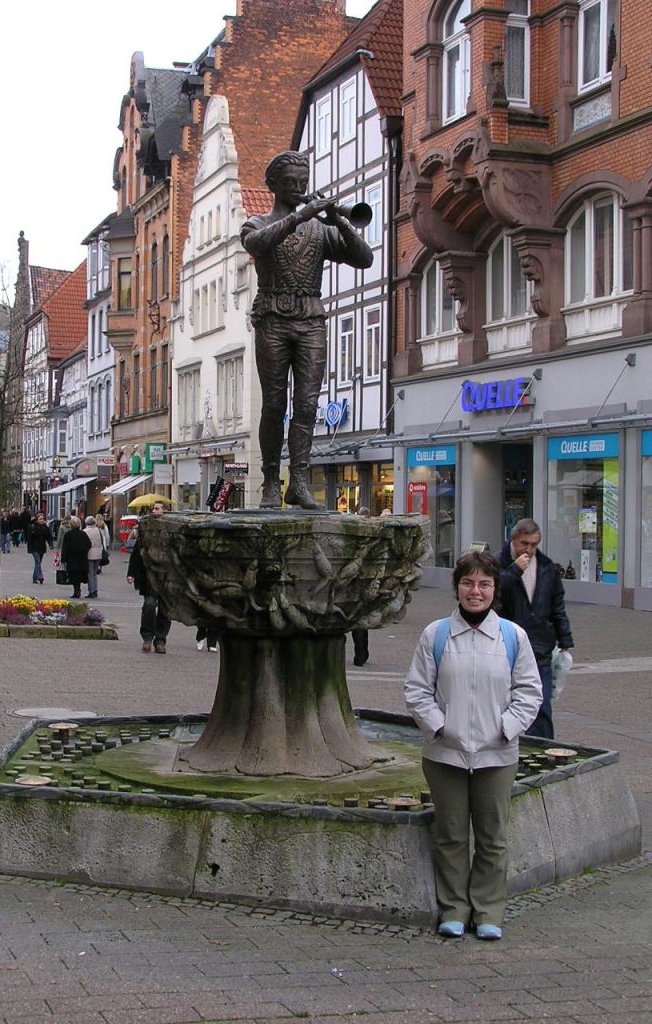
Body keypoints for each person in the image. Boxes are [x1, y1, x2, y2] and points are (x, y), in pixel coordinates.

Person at [404, 550, 541, 941]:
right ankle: (454, 909)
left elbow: (530, 692)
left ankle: (488, 910)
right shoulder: (436, 635)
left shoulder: (512, 637)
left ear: (494, 589)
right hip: (445, 753)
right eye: (468, 583)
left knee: (492, 837)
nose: (475, 591)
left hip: (496, 755)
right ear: (457, 588)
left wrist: (505, 728)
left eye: (483, 584)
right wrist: (440, 727)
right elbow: (417, 691)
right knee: (450, 835)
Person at [241, 150, 373, 508]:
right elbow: (257, 244)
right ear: (273, 185)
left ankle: (298, 480)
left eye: (303, 182)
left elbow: (364, 258)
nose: (299, 188)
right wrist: (301, 215)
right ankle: (271, 481)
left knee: (308, 404)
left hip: (311, 319)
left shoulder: (320, 229)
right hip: (272, 318)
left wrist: (339, 222)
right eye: (291, 183)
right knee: (274, 404)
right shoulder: (256, 222)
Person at [495, 518, 574, 739]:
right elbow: (491, 592)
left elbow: (557, 605)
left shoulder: (547, 567)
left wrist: (565, 641)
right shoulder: (497, 563)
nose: (529, 550)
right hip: (506, 646)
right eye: (524, 544)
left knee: (541, 704)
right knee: (505, 703)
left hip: (540, 646)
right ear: (513, 539)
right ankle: (505, 747)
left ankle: (543, 748)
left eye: (533, 545)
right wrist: (514, 570)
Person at [126, 501, 170, 654]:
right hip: (149, 575)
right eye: (153, 508)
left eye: (157, 508)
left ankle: (160, 640)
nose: (153, 511)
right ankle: (147, 637)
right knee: (149, 605)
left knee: (165, 610)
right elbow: (137, 552)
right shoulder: (146, 528)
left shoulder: (172, 529)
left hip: (167, 576)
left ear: (164, 511)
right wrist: (131, 573)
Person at [351, 506, 371, 666]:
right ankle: (362, 654)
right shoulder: (371, 533)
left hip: (354, 584)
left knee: (358, 622)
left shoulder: (354, 535)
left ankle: (361, 655)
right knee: (361, 622)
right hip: (364, 582)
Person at [60, 516, 91, 598]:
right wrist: (84, 550)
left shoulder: (68, 535)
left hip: (72, 558)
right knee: (79, 575)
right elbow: (89, 544)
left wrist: (63, 559)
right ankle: (78, 590)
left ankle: (76, 591)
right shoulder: (83, 534)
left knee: (73, 575)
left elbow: (65, 548)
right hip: (82, 558)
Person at [26, 512, 53, 585]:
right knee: (37, 562)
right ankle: (40, 577)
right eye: (40, 519)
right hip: (34, 548)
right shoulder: (33, 527)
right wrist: (29, 548)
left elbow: (49, 537)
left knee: (38, 563)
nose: (42, 520)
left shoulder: (45, 528)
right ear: (37, 520)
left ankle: (34, 578)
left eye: (43, 519)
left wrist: (50, 544)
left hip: (42, 547)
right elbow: (29, 538)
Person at [83, 516, 104, 599]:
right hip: (98, 554)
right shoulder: (98, 530)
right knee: (94, 574)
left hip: (89, 554)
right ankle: (95, 590)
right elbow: (102, 541)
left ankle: (91, 591)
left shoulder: (85, 531)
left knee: (90, 574)